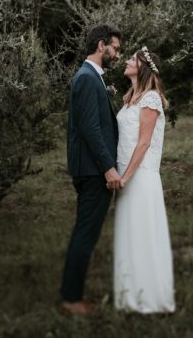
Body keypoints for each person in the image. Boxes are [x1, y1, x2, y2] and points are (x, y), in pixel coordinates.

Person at [60, 24, 124, 316]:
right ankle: (71, 300)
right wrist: (108, 168)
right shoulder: (87, 78)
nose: (117, 54)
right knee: (85, 233)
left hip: (91, 169)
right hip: (92, 171)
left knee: (85, 231)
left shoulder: (92, 77)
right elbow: (90, 128)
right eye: (116, 48)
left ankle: (70, 295)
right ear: (101, 45)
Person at [113, 46, 175, 313]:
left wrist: (125, 177)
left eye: (132, 59)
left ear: (143, 67)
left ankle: (148, 297)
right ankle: (129, 295)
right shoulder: (131, 99)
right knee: (129, 233)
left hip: (140, 177)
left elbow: (144, 144)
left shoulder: (150, 99)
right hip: (125, 177)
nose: (126, 61)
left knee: (142, 233)